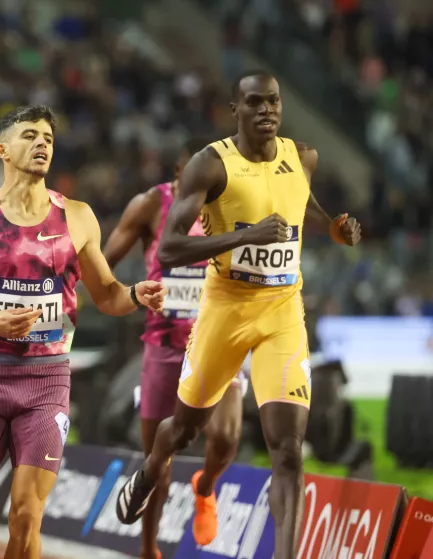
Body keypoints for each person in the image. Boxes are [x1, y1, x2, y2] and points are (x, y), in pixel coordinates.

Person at [114, 71, 361, 559]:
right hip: (225, 309)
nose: (267, 110)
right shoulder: (210, 165)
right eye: (255, 102)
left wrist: (333, 228)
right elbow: (167, 250)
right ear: (236, 110)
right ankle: (150, 469)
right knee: (182, 430)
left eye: (274, 101)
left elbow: (300, 203)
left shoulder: (301, 156)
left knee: (287, 449)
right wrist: (242, 236)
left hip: (283, 312)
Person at [0, 105, 166, 559]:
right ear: (3, 150)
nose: (42, 143)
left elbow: (107, 294)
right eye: (30, 135)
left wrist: (135, 294)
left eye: (47, 136)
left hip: (46, 384)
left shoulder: (78, 217)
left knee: (26, 516)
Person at [103, 136, 246, 557]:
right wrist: (130, 293)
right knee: (156, 463)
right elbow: (101, 264)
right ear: (179, 173)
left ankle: (206, 486)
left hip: (219, 343)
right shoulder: (151, 204)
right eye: (195, 177)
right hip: (164, 347)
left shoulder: (237, 208)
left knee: (224, 435)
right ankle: (149, 549)